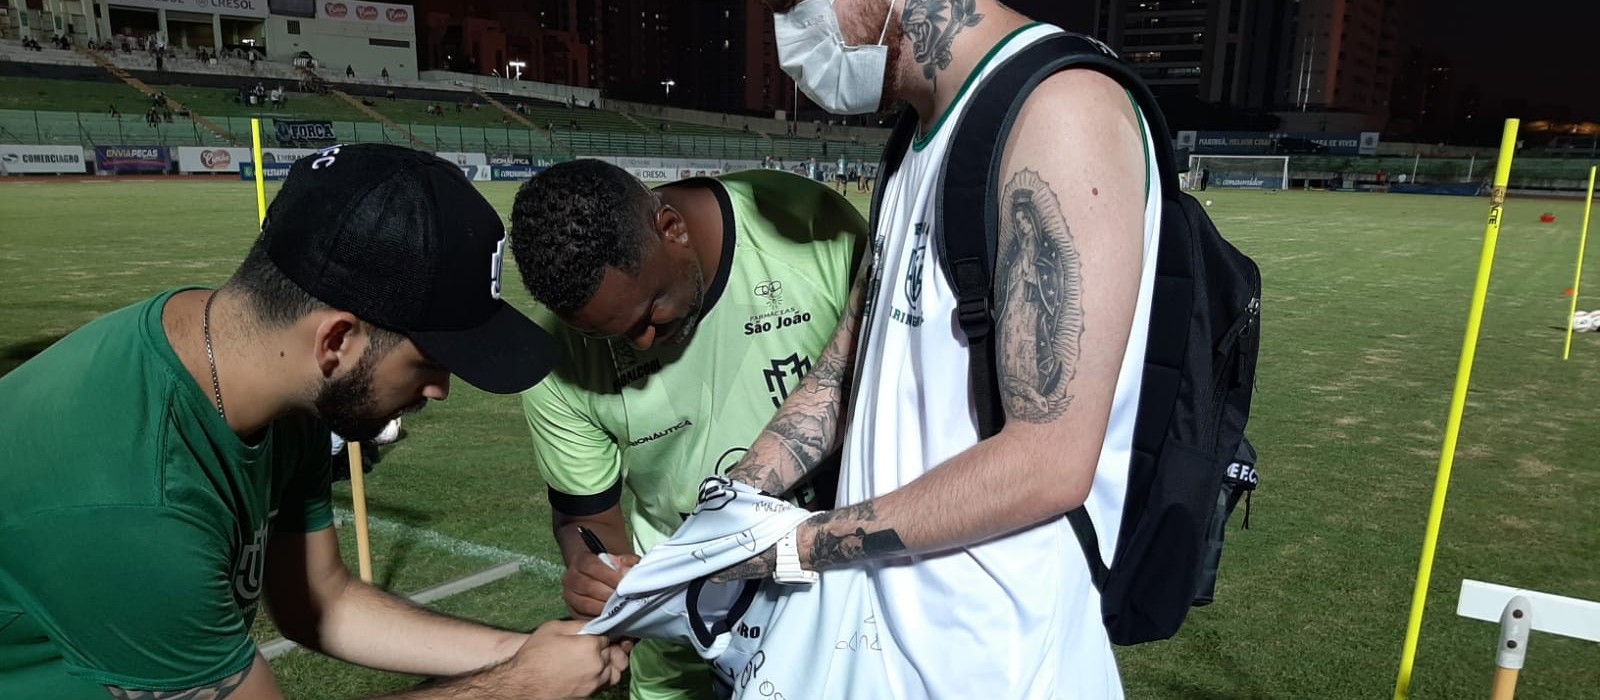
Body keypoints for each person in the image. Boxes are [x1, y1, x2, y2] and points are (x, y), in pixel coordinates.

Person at [0, 144, 630, 700]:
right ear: (336, 343)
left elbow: (319, 601)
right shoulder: (134, 501)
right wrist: (518, 688)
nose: (440, 390)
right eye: (430, 361)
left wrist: (522, 656)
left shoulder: (259, 363)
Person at [712, 1, 1165, 697]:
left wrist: (792, 546)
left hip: (992, 664)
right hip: (876, 644)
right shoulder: (916, 135)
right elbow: (846, 366)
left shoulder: (1060, 108)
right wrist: (730, 506)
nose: (787, 34)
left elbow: (1048, 462)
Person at [508, 159, 866, 700]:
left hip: (843, 606)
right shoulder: (550, 358)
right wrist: (594, 567)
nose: (644, 344)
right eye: (613, 337)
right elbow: (586, 517)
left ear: (671, 227)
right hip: (681, 646)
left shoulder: (810, 228)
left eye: (651, 311)